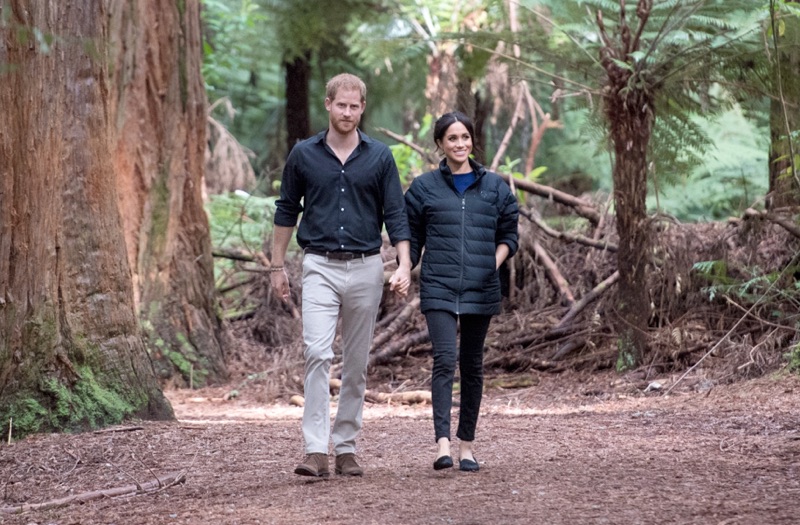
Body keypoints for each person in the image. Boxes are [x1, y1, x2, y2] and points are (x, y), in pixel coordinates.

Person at [269, 73, 412, 478]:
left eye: (355, 106)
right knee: (316, 352)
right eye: (341, 105)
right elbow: (285, 210)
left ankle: (346, 446)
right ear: (328, 104)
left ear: (362, 108)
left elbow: (395, 213)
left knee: (356, 362)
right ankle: (315, 450)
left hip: (367, 267)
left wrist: (403, 264)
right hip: (319, 265)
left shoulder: (380, 157)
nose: (347, 112)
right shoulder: (304, 154)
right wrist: (277, 266)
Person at [404, 111, 519, 472]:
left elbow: (509, 235)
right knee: (444, 359)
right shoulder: (424, 188)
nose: (459, 144)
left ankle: (466, 445)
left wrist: (492, 264)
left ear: (472, 141)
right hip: (438, 284)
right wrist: (404, 268)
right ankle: (442, 444)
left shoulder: (495, 187)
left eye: (465, 137)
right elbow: (411, 238)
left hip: (481, 287)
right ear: (439, 143)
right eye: (452, 138)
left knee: (472, 365)